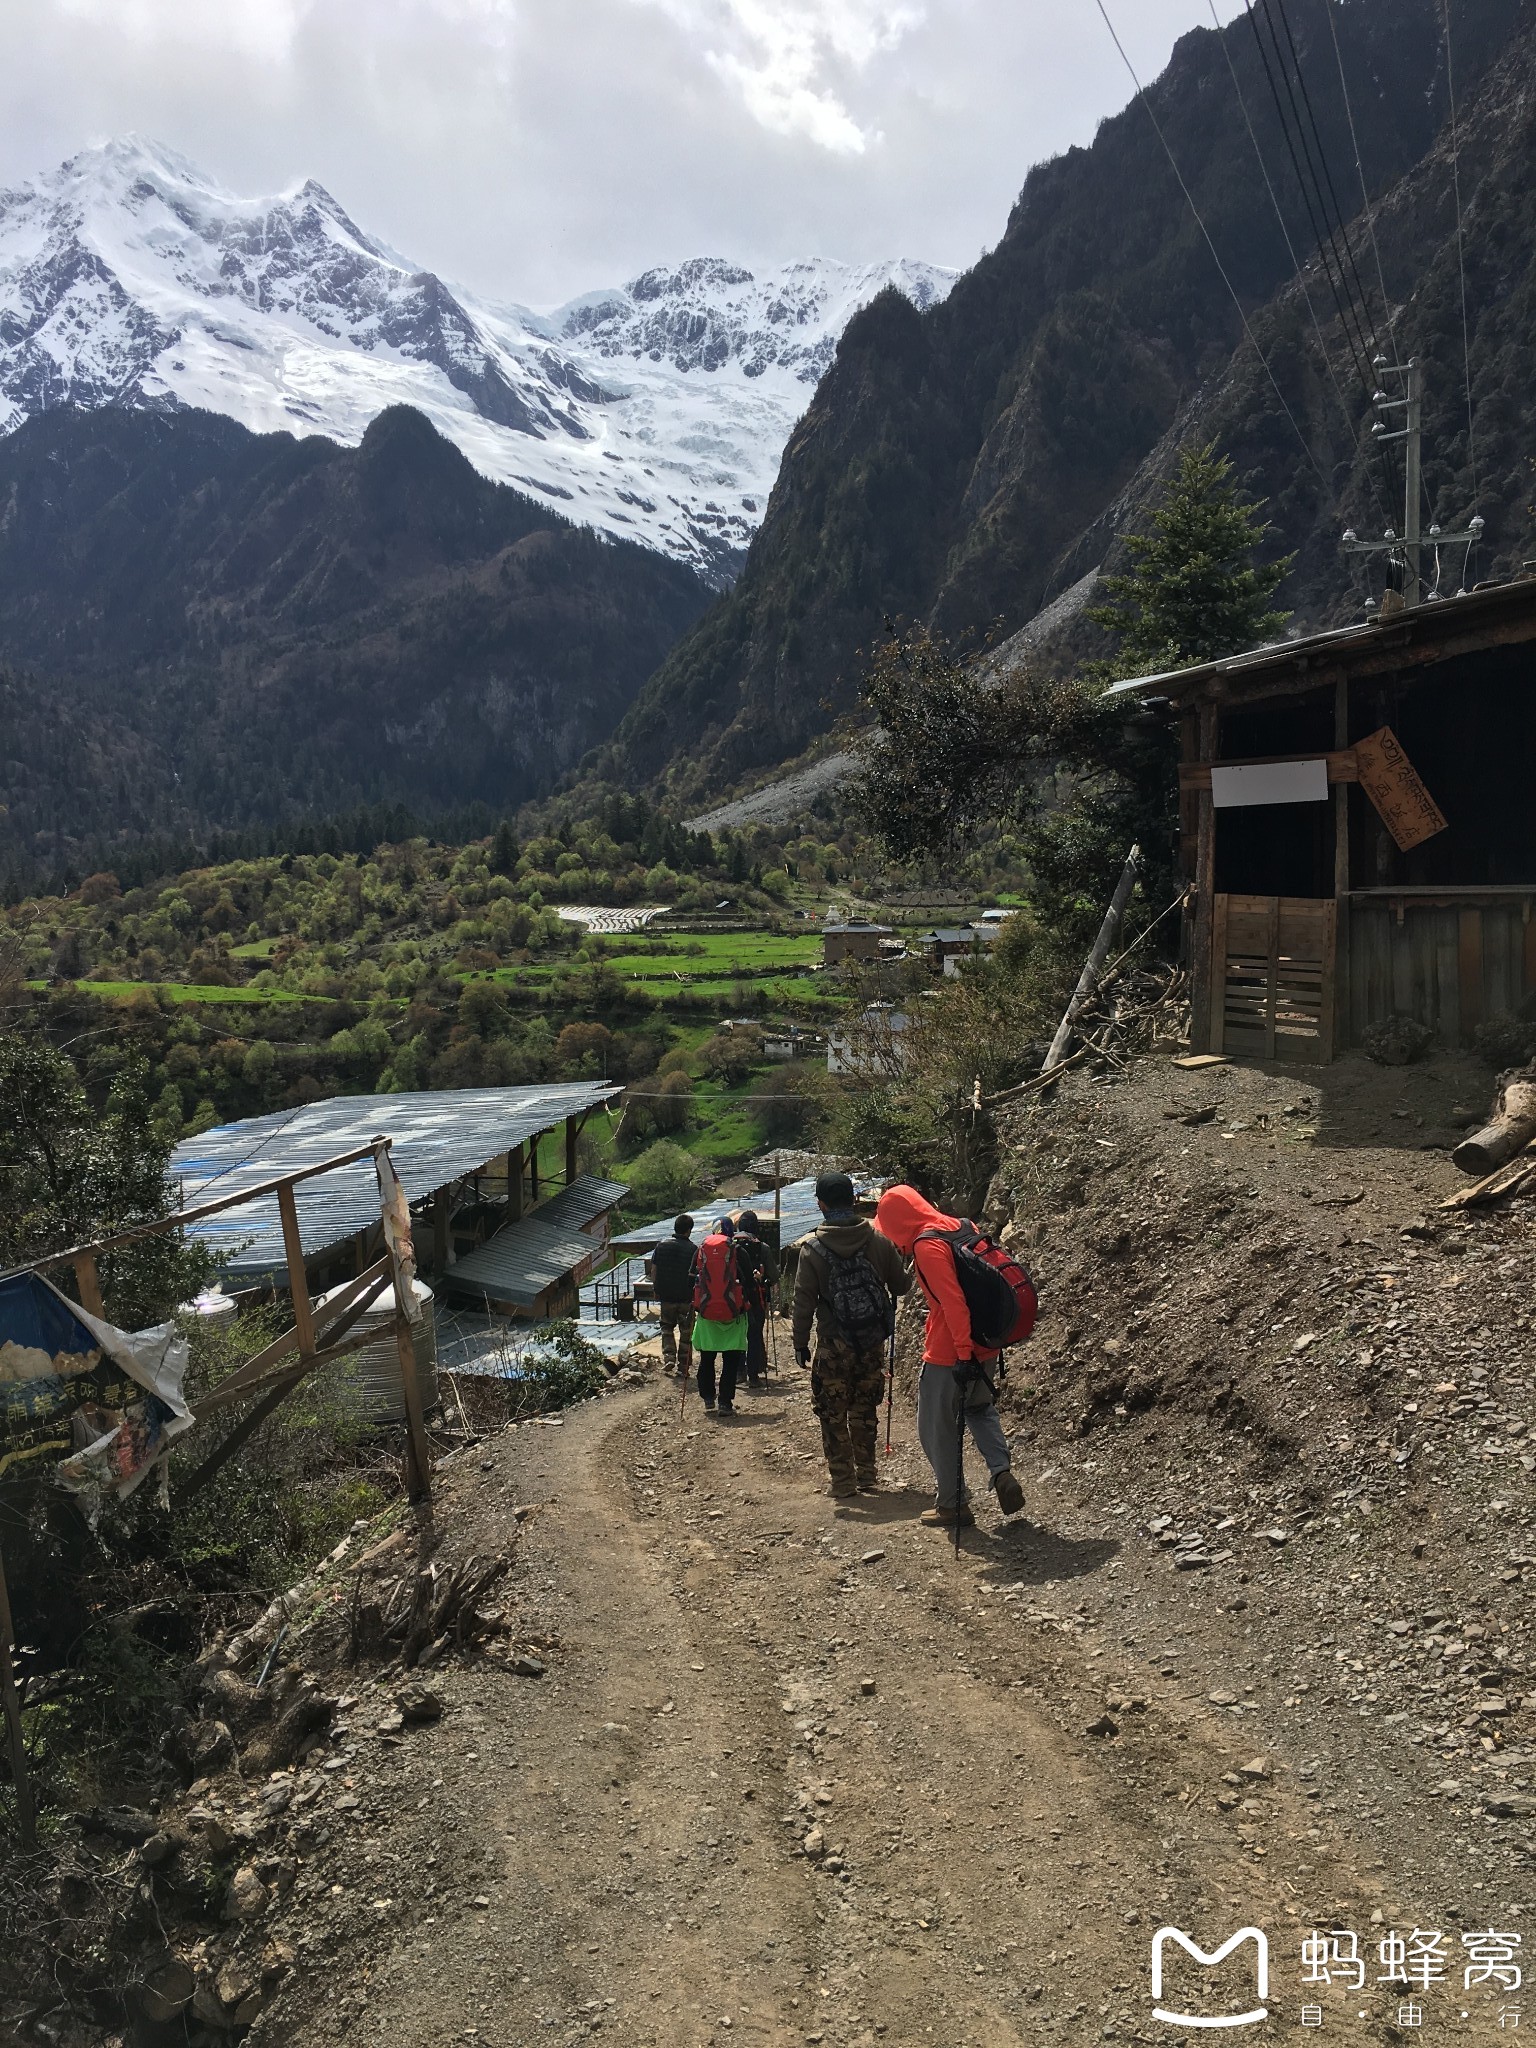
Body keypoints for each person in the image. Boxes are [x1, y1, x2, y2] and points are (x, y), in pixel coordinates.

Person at [874, 1183, 1026, 1529]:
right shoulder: (962, 1226)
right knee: (979, 1409)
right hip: (987, 1342)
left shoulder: (927, 1246)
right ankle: (1001, 1472)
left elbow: (954, 1303)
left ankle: (952, 1504)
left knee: (936, 1428)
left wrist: (960, 1354)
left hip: (951, 1351)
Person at [791, 1171, 912, 1498]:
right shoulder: (879, 1241)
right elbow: (902, 1285)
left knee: (832, 1409)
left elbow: (803, 1300)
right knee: (864, 1406)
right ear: (854, 1200)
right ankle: (867, 1475)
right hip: (872, 1341)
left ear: (821, 1204)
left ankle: (843, 1481)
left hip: (833, 1343)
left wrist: (800, 1342)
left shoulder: (812, 1248)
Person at [692, 1216, 748, 1418]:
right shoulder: (738, 1251)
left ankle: (708, 1397)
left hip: (706, 1312)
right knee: (731, 1360)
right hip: (733, 1312)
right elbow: (748, 1281)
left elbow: (692, 1276)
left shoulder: (702, 1250)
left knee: (707, 1356)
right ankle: (725, 1402)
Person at [732, 1209, 780, 1387]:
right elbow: (774, 1276)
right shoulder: (763, 1247)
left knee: (736, 1336)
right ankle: (753, 1376)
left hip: (734, 1298)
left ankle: (738, 1373)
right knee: (753, 1335)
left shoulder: (730, 1246)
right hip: (756, 1298)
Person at [647, 1214, 696, 1379]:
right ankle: (683, 1366)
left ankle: (669, 1357)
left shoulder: (661, 1247)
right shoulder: (694, 1250)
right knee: (686, 1332)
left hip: (666, 1297)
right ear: (689, 1231)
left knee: (667, 1328)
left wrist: (656, 1288)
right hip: (686, 1299)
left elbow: (654, 1270)